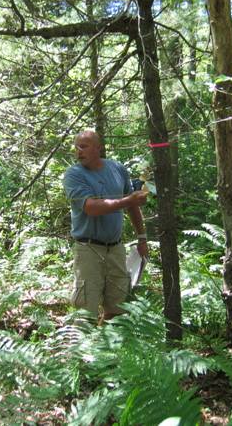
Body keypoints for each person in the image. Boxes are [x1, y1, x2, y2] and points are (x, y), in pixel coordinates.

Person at [63, 130, 149, 321]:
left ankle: (110, 347)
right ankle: (82, 348)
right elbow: (91, 208)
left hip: (116, 249)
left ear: (98, 148)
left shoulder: (117, 169)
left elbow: (132, 205)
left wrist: (142, 238)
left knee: (118, 307)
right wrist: (128, 200)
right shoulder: (74, 175)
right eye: (76, 146)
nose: (78, 151)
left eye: (83, 146)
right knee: (86, 310)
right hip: (88, 250)